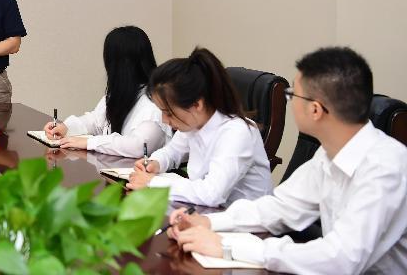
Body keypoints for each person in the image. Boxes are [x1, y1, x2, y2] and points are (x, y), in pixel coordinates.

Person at [168, 47, 407, 274]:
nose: (290, 100)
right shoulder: (329, 155)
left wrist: (228, 247)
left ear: (315, 110)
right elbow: (279, 207)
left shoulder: (385, 167)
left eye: (293, 94)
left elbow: (341, 260)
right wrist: (207, 222)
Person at [126, 47, 272, 207]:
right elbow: (172, 152)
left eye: (169, 112)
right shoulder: (194, 122)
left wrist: (152, 182)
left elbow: (212, 193)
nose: (164, 120)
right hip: (208, 212)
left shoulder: (237, 132)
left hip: (245, 218)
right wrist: (155, 162)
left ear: (197, 104)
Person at [41, 26, 171, 157]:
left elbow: (139, 146)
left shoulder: (155, 103)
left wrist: (90, 142)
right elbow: (95, 122)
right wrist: (65, 128)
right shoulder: (119, 94)